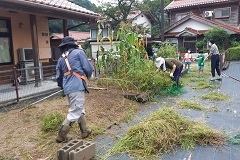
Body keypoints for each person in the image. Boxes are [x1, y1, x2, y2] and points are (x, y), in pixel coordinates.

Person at [55, 36, 93, 143]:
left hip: (68, 88)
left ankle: (84, 131)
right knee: (75, 112)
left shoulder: (61, 59)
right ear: (72, 45)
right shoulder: (78, 53)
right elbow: (87, 68)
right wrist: (88, 76)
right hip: (77, 86)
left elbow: (58, 77)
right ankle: (61, 136)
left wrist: (63, 86)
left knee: (79, 109)